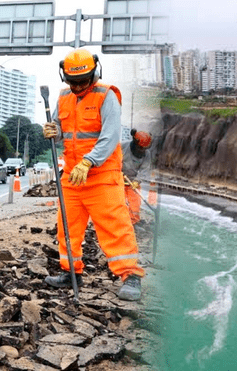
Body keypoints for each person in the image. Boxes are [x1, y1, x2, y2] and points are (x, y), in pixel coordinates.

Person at [43, 48, 144, 301]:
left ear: (95, 73)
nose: (77, 87)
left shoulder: (107, 95)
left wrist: (88, 162)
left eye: (82, 81)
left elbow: (110, 137)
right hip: (72, 175)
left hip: (100, 175)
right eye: (72, 82)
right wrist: (52, 131)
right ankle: (71, 272)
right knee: (68, 227)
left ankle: (130, 275)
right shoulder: (64, 96)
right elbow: (60, 130)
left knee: (115, 226)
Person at [122, 129, 152, 224]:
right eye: (140, 148)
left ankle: (133, 223)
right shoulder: (122, 146)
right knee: (117, 204)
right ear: (135, 144)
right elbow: (112, 161)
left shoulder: (147, 154)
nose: (142, 151)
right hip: (117, 180)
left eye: (144, 149)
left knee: (134, 206)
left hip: (132, 182)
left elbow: (144, 170)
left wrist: (137, 180)